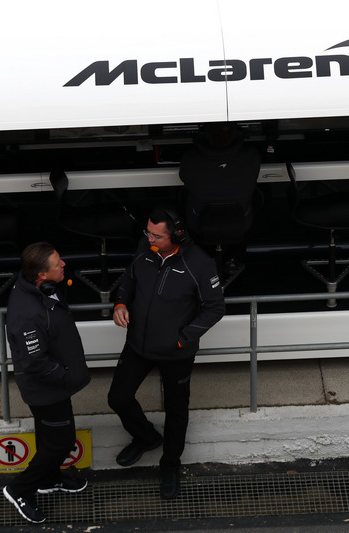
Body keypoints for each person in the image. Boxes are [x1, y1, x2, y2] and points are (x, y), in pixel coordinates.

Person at [108, 207, 225, 499]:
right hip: (138, 344)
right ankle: (147, 437)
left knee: (176, 412)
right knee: (118, 398)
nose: (150, 239)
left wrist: (183, 339)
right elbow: (129, 278)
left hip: (176, 352)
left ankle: (170, 465)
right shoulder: (144, 248)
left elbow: (215, 307)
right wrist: (120, 303)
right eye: (147, 232)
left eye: (157, 235)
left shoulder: (199, 263)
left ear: (177, 234)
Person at [2, 242, 91, 524]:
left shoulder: (40, 289)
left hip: (53, 385)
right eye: (57, 264)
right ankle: (20, 489)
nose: (63, 265)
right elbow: (34, 362)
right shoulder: (28, 313)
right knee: (61, 443)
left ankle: (50, 478)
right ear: (41, 275)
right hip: (48, 390)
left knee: (48, 437)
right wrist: (64, 376)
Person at [178, 121, 261, 271]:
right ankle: (234, 257)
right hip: (242, 221)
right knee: (261, 193)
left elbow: (184, 179)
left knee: (182, 195)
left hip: (198, 223)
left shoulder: (190, 158)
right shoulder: (251, 155)